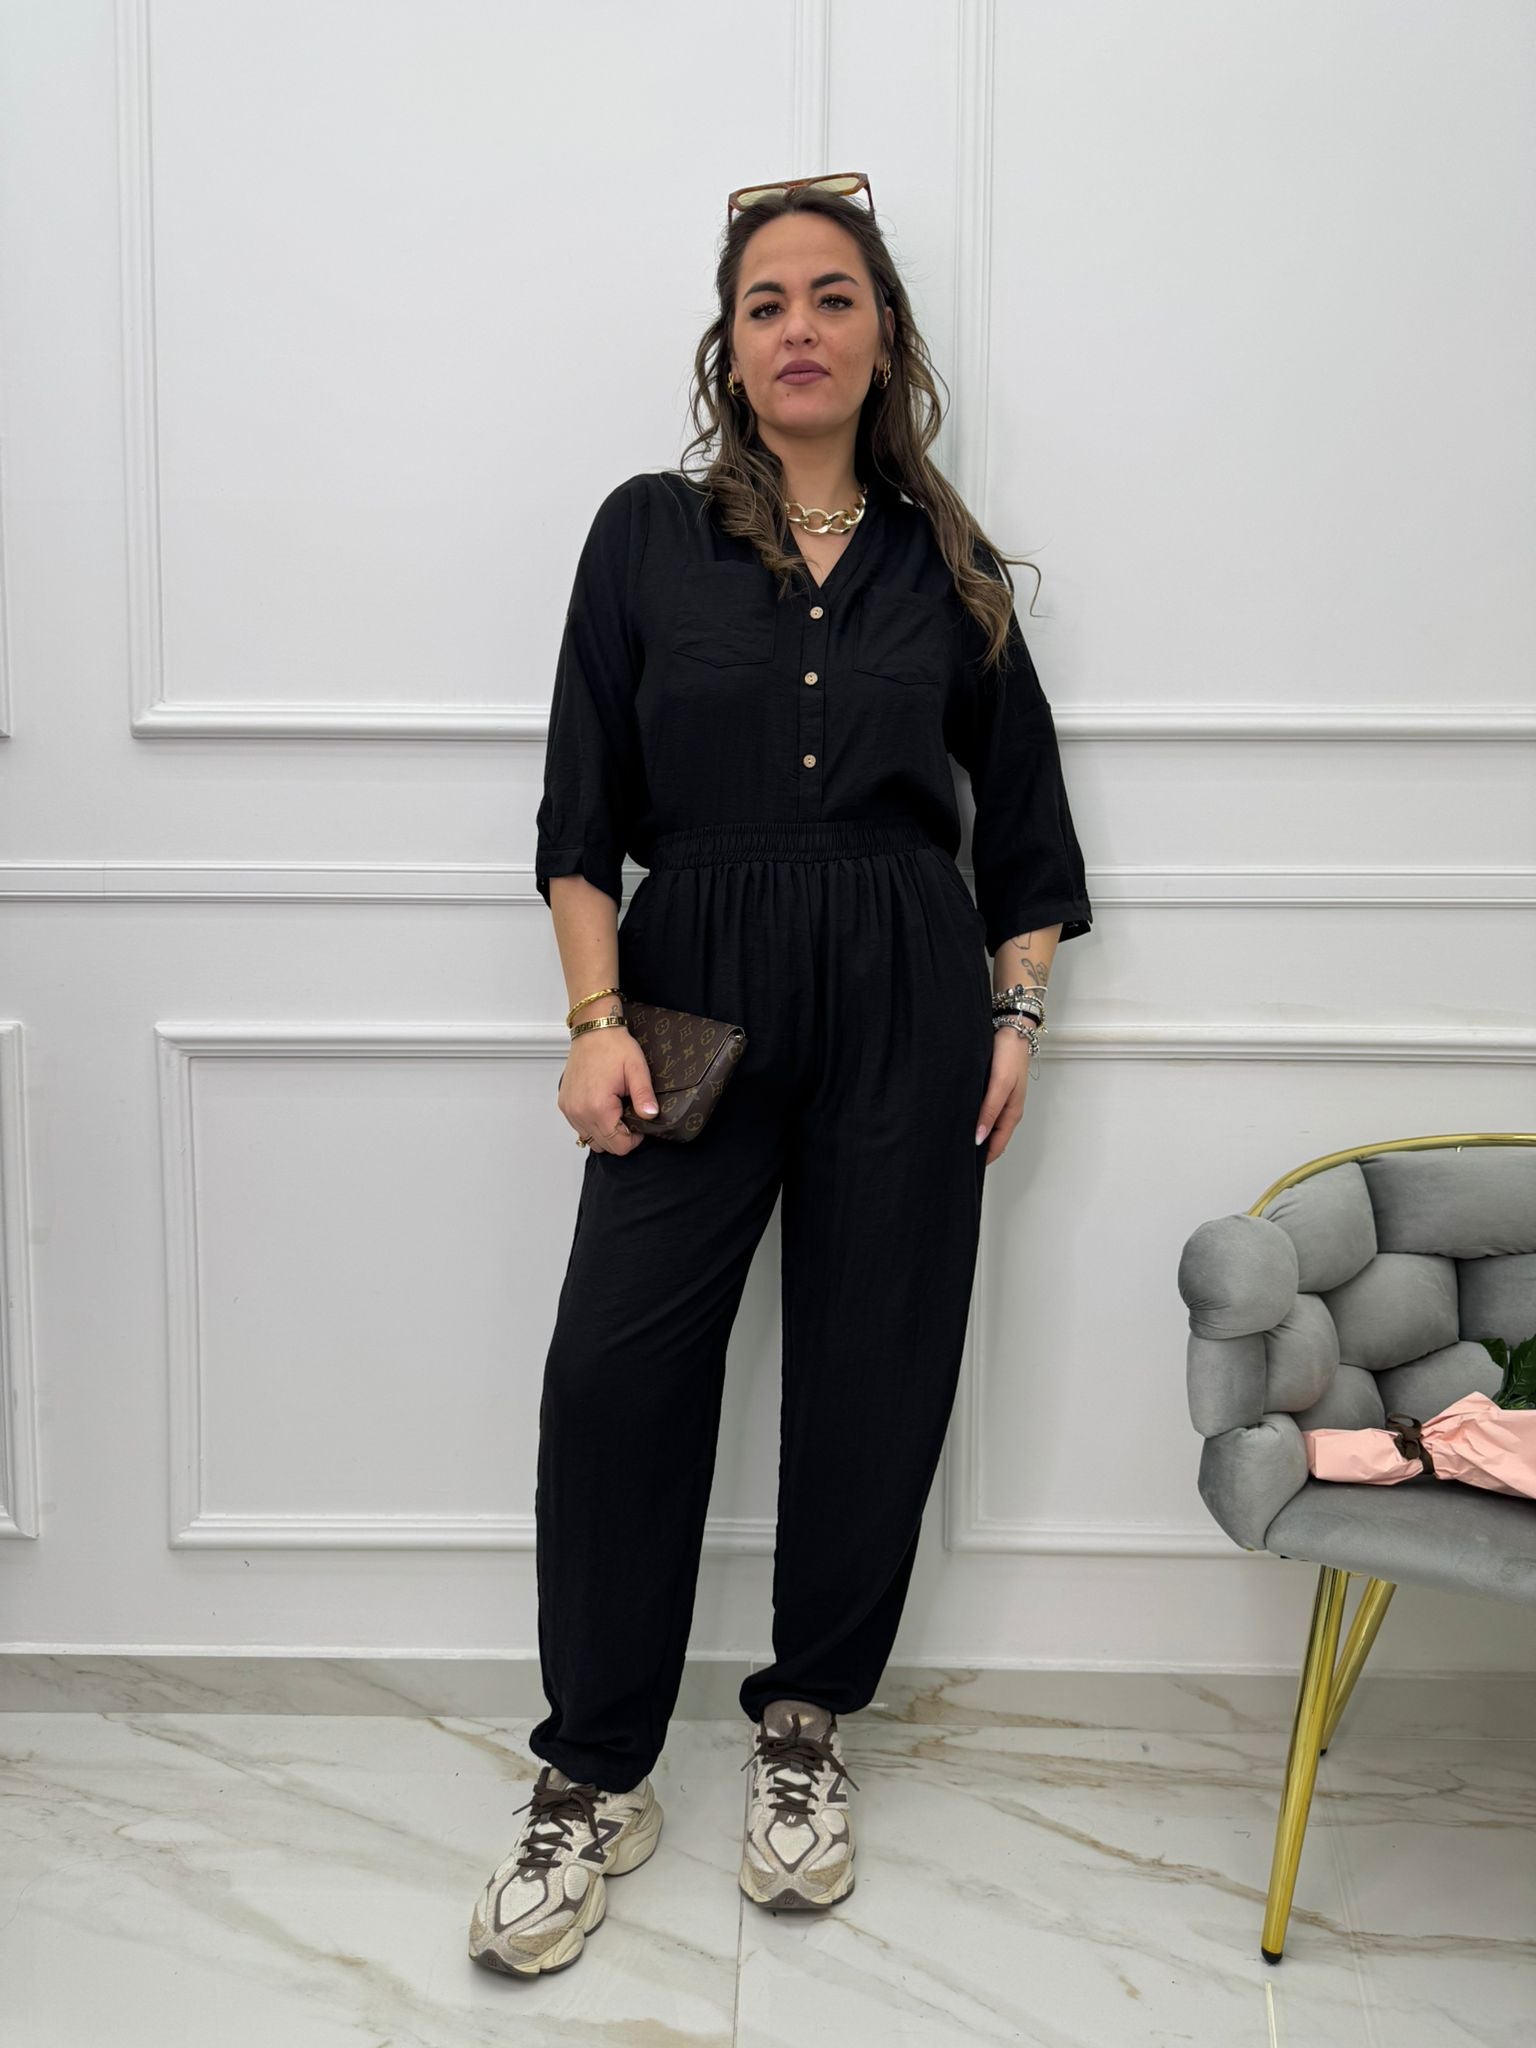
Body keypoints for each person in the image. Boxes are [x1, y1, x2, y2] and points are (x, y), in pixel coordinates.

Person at [468, 170, 1092, 1977]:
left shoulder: (948, 568)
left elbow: (1025, 834)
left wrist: (1016, 1020)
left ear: (882, 335)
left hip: (908, 994)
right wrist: (593, 1025)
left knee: (876, 1373)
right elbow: (579, 814)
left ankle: (805, 1731)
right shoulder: (645, 535)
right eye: (765, 303)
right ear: (729, 349)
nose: (799, 327)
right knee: (614, 1378)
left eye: (832, 296)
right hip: (692, 993)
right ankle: (594, 1770)